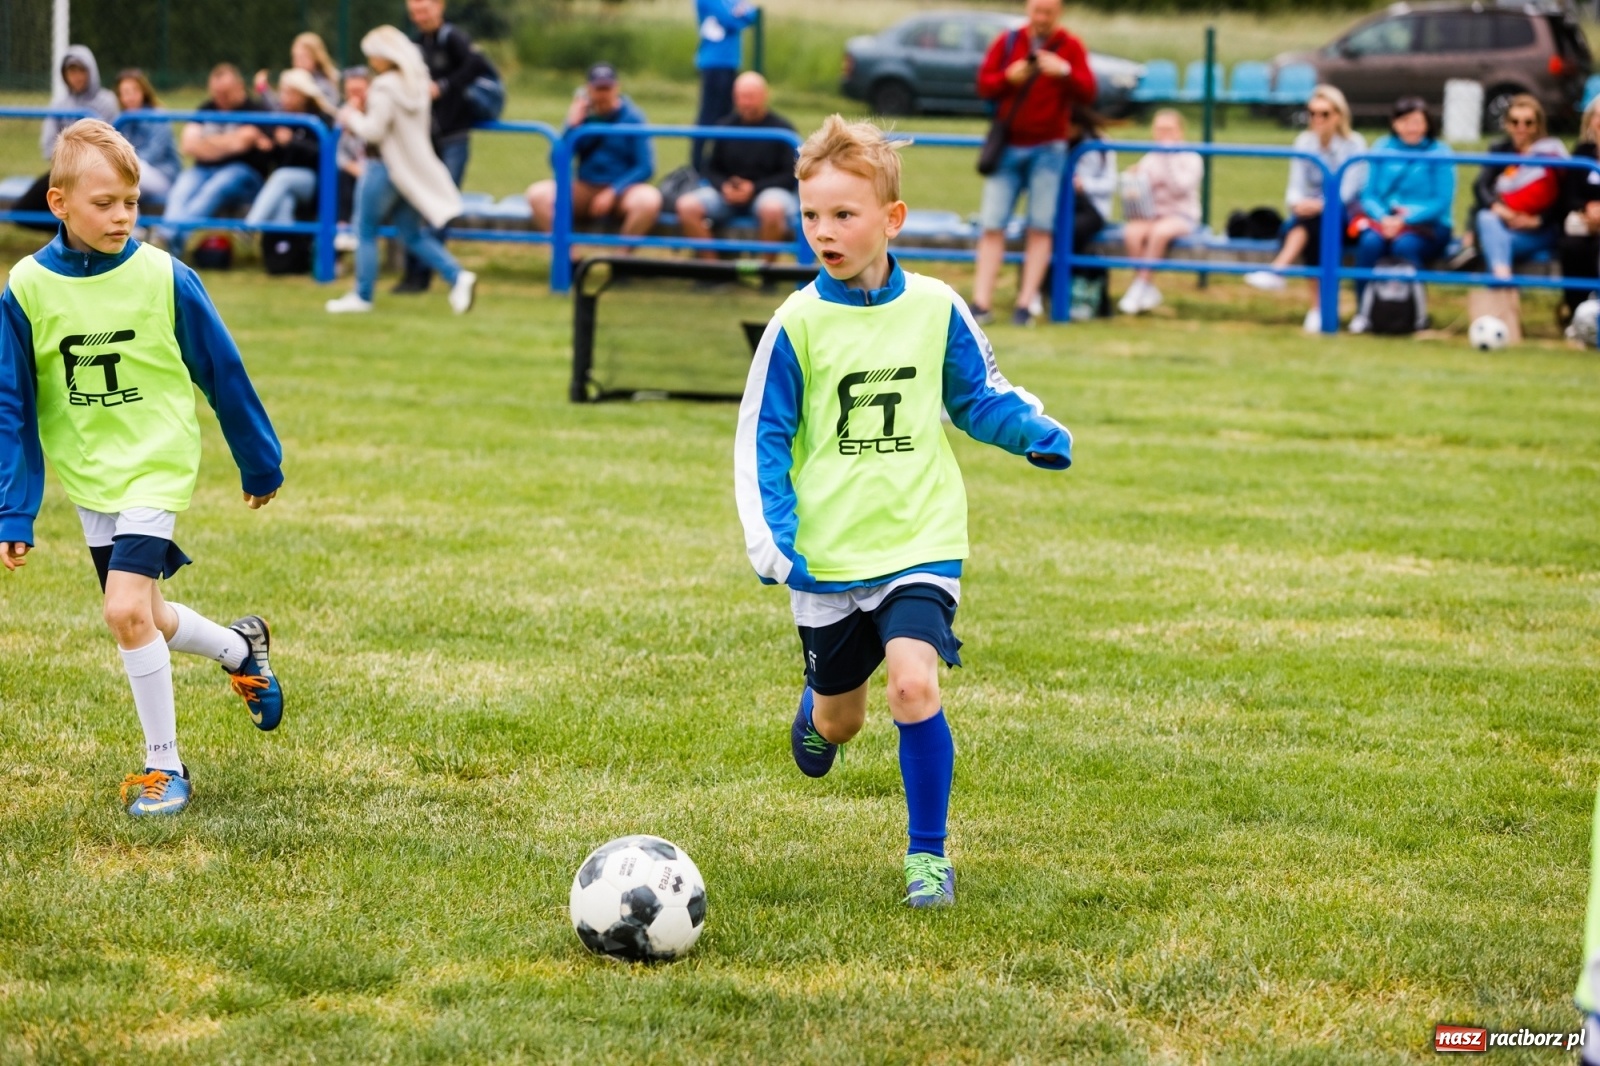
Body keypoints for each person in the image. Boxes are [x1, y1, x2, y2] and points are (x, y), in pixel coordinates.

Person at [733, 115, 1073, 908]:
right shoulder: (795, 325)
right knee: (843, 722)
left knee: (914, 686)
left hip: (920, 538)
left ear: (892, 220)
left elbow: (977, 395)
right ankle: (819, 712)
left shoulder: (936, 306)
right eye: (812, 215)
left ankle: (929, 858)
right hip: (826, 555)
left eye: (844, 215)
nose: (824, 231)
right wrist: (774, 544)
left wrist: (1034, 432)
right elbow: (761, 442)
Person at [0, 120, 285, 817]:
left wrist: (259, 460)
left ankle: (166, 768)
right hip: (90, 473)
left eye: (131, 200)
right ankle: (238, 648)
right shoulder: (27, 287)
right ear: (59, 202)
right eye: (105, 203)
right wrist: (14, 507)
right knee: (149, 614)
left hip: (155, 462)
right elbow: (11, 403)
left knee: (123, 610)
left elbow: (222, 369)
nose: (122, 215)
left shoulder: (163, 275)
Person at [326, 26, 476, 315]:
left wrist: (351, 116)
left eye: (372, 56)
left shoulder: (384, 86)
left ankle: (362, 295)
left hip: (383, 167)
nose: (370, 62)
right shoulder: (417, 82)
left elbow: (373, 131)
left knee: (365, 230)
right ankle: (458, 276)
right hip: (409, 171)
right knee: (411, 234)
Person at [971, 0, 1096, 326]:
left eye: (1048, 12)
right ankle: (980, 303)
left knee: (1040, 227)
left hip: (1049, 149)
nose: (1041, 18)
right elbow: (984, 85)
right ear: (1028, 9)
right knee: (992, 224)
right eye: (1036, 11)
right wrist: (1008, 78)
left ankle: (1025, 305)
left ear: (1059, 13)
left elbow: (1089, 91)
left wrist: (1064, 71)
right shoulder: (1009, 41)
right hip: (1009, 144)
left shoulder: (1071, 46)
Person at [1244, 84, 1366, 333]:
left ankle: (1285, 277)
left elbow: (1349, 191)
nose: (1317, 119)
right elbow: (1295, 186)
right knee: (1308, 225)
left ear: (1339, 116)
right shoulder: (1304, 142)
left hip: (1344, 214)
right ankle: (1318, 309)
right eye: (1312, 113)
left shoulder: (1354, 144)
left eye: (1324, 114)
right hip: (1310, 214)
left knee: (1317, 225)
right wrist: (1298, 203)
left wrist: (1320, 205)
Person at [395, 0, 483, 294]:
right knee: (420, 203)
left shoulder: (453, 38)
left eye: (425, 10)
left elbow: (475, 65)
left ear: (440, 7)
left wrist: (443, 87)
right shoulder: (415, 44)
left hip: (454, 137)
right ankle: (414, 274)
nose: (421, 17)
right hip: (426, 140)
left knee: (441, 207)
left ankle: (429, 274)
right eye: (415, 13)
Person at [526, 65, 662, 247]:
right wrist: (571, 126)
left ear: (617, 88)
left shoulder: (633, 118)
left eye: (607, 88)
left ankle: (621, 261)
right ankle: (568, 259)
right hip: (586, 187)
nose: (603, 94)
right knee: (537, 195)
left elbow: (646, 167)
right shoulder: (581, 117)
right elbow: (556, 161)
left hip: (623, 191)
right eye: (598, 89)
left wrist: (614, 191)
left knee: (649, 200)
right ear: (588, 89)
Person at [1349, 96, 1455, 323]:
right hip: (1384, 221)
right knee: (1370, 244)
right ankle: (1364, 312)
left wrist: (1405, 220)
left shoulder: (1440, 152)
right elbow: (1368, 194)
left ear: (1428, 123)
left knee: (1404, 245)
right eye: (1405, 121)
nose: (1412, 127)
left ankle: (1415, 314)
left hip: (1429, 227)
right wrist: (1384, 218)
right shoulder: (1381, 148)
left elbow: (1441, 201)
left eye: (1417, 121)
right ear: (1395, 123)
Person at [153, 64, 275, 256]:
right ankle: (172, 241)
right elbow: (188, 145)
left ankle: (172, 235)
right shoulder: (207, 108)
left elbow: (248, 146)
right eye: (216, 93)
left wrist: (208, 144)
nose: (220, 99)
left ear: (239, 86)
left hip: (244, 175)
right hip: (204, 171)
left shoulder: (256, 111)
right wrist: (234, 142)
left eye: (225, 93)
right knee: (182, 188)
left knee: (217, 186)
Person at [675, 72, 798, 258]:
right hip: (727, 194)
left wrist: (754, 188)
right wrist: (724, 186)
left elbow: (791, 175)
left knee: (772, 209)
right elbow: (710, 168)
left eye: (751, 96)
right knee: (686, 206)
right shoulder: (724, 127)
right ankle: (713, 270)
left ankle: (766, 274)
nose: (745, 102)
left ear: (765, 96)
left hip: (767, 192)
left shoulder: (782, 129)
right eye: (741, 97)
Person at [12, 46, 119, 232]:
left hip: (98, 171)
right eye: (71, 70)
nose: (76, 76)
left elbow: (111, 142)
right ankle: (67, 234)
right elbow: (48, 145)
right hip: (65, 171)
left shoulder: (107, 101)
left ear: (91, 71)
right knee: (22, 210)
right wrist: (69, 162)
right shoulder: (60, 104)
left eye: (81, 70)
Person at [1471, 94, 1567, 283]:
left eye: (1528, 122)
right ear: (1506, 124)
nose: (1521, 128)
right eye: (1515, 122)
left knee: (1495, 243)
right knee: (1486, 218)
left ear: (1538, 125)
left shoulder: (1551, 154)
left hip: (1541, 230)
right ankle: (1503, 278)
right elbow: (1480, 186)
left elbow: (1563, 197)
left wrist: (1536, 221)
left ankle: (1501, 285)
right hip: (1503, 225)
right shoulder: (1499, 150)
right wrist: (1503, 211)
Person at [1116, 109, 1202, 315]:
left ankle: (1140, 286)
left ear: (1180, 132)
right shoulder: (1150, 157)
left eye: (1169, 129)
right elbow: (1145, 190)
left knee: (1160, 233)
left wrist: (1169, 159)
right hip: (1152, 214)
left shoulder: (1192, 158)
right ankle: (1145, 286)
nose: (1164, 134)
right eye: (1159, 129)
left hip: (1182, 215)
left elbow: (1180, 188)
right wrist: (1134, 180)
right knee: (1132, 232)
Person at [244, 70, 335, 232]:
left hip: (317, 182)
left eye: (290, 93)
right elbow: (279, 159)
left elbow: (323, 153)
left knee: (282, 177)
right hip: (290, 185)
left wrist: (292, 142)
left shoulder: (321, 119)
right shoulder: (282, 117)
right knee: (284, 202)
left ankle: (249, 226)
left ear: (303, 94)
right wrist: (268, 146)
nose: (284, 97)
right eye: (283, 91)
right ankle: (286, 250)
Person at [693, 0, 760, 173]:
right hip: (714, 62)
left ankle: (724, 163)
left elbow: (752, 14)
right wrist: (739, 16)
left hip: (730, 62)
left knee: (728, 116)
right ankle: (697, 165)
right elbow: (729, 20)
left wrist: (740, 15)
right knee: (708, 115)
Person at [1064, 104, 1115, 318]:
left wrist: (1084, 185)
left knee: (1071, 233)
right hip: (1063, 207)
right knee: (1049, 231)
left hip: (1092, 207)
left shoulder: (1100, 143)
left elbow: (1111, 183)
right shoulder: (1054, 143)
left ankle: (1082, 295)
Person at [1558, 96, 1600, 320]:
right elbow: (1569, 195)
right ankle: (1577, 315)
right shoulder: (1582, 153)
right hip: (1585, 223)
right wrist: (1586, 208)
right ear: (1591, 121)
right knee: (1571, 246)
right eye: (1599, 116)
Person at [113, 69, 181, 202]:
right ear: (120, 96)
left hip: (163, 175)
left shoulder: (158, 116)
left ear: (143, 92)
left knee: (128, 179)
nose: (130, 97)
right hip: (132, 172)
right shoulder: (121, 120)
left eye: (135, 91)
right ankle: (133, 223)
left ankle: (131, 223)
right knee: (123, 182)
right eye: (126, 92)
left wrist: (126, 166)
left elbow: (154, 153)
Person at [254, 32, 340, 109]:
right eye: (295, 57)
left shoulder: (324, 83)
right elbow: (279, 109)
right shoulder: (292, 81)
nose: (297, 63)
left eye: (302, 57)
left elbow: (328, 111)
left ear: (316, 58)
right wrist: (263, 89)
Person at [334, 67, 371, 243]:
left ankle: (351, 231)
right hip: (352, 171)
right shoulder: (342, 115)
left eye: (359, 91)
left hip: (377, 169)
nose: (355, 97)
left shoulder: (379, 111)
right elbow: (338, 153)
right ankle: (343, 231)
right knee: (342, 176)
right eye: (350, 92)